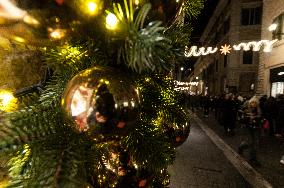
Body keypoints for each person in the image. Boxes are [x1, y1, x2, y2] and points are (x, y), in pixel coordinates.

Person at [238, 96, 262, 166]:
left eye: (255, 103)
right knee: (250, 142)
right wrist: (248, 119)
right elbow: (241, 120)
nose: (253, 104)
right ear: (250, 103)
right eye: (252, 102)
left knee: (255, 143)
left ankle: (253, 159)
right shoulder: (246, 110)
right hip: (249, 128)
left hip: (256, 128)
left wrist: (258, 119)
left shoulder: (259, 110)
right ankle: (241, 147)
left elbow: (261, 118)